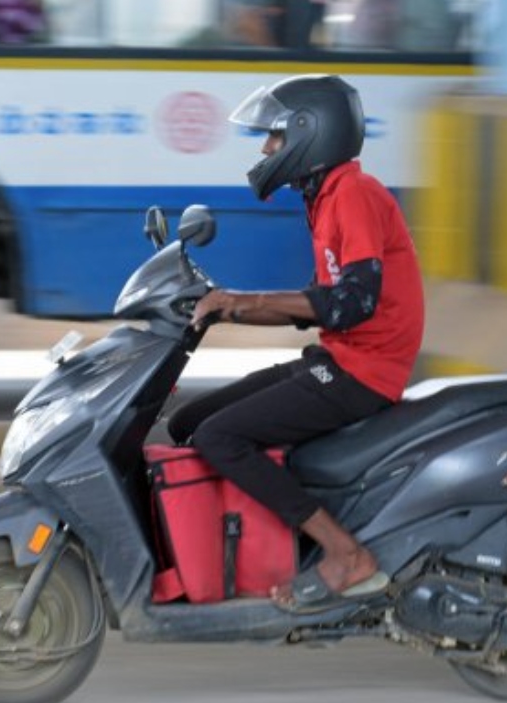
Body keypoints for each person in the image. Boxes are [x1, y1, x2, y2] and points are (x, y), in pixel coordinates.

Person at [167, 74, 424, 612]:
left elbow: (352, 303)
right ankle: (247, 549)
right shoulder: (327, 197)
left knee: (221, 437)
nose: (265, 149)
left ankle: (344, 553)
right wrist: (225, 307)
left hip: (363, 372)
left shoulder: (353, 193)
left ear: (311, 132)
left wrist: (242, 303)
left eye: (275, 137)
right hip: (339, 358)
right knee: (187, 425)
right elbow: (319, 303)